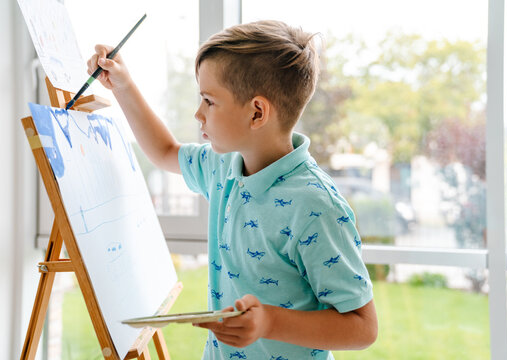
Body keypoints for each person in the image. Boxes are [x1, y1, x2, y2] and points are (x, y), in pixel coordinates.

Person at [87, 19, 377, 360]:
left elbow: (362, 327)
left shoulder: (316, 207)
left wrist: (269, 322)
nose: (198, 113)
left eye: (209, 101)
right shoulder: (222, 168)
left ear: (257, 112)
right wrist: (122, 85)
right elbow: (165, 151)